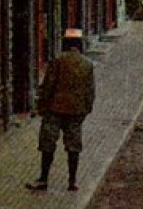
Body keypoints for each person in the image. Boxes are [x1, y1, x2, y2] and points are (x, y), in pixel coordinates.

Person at [28, 29, 95, 192]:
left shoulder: (57, 61)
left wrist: (41, 106)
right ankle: (72, 181)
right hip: (76, 111)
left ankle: (43, 179)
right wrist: (86, 109)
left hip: (55, 109)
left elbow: (48, 86)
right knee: (73, 146)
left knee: (48, 144)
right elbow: (90, 91)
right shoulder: (87, 64)